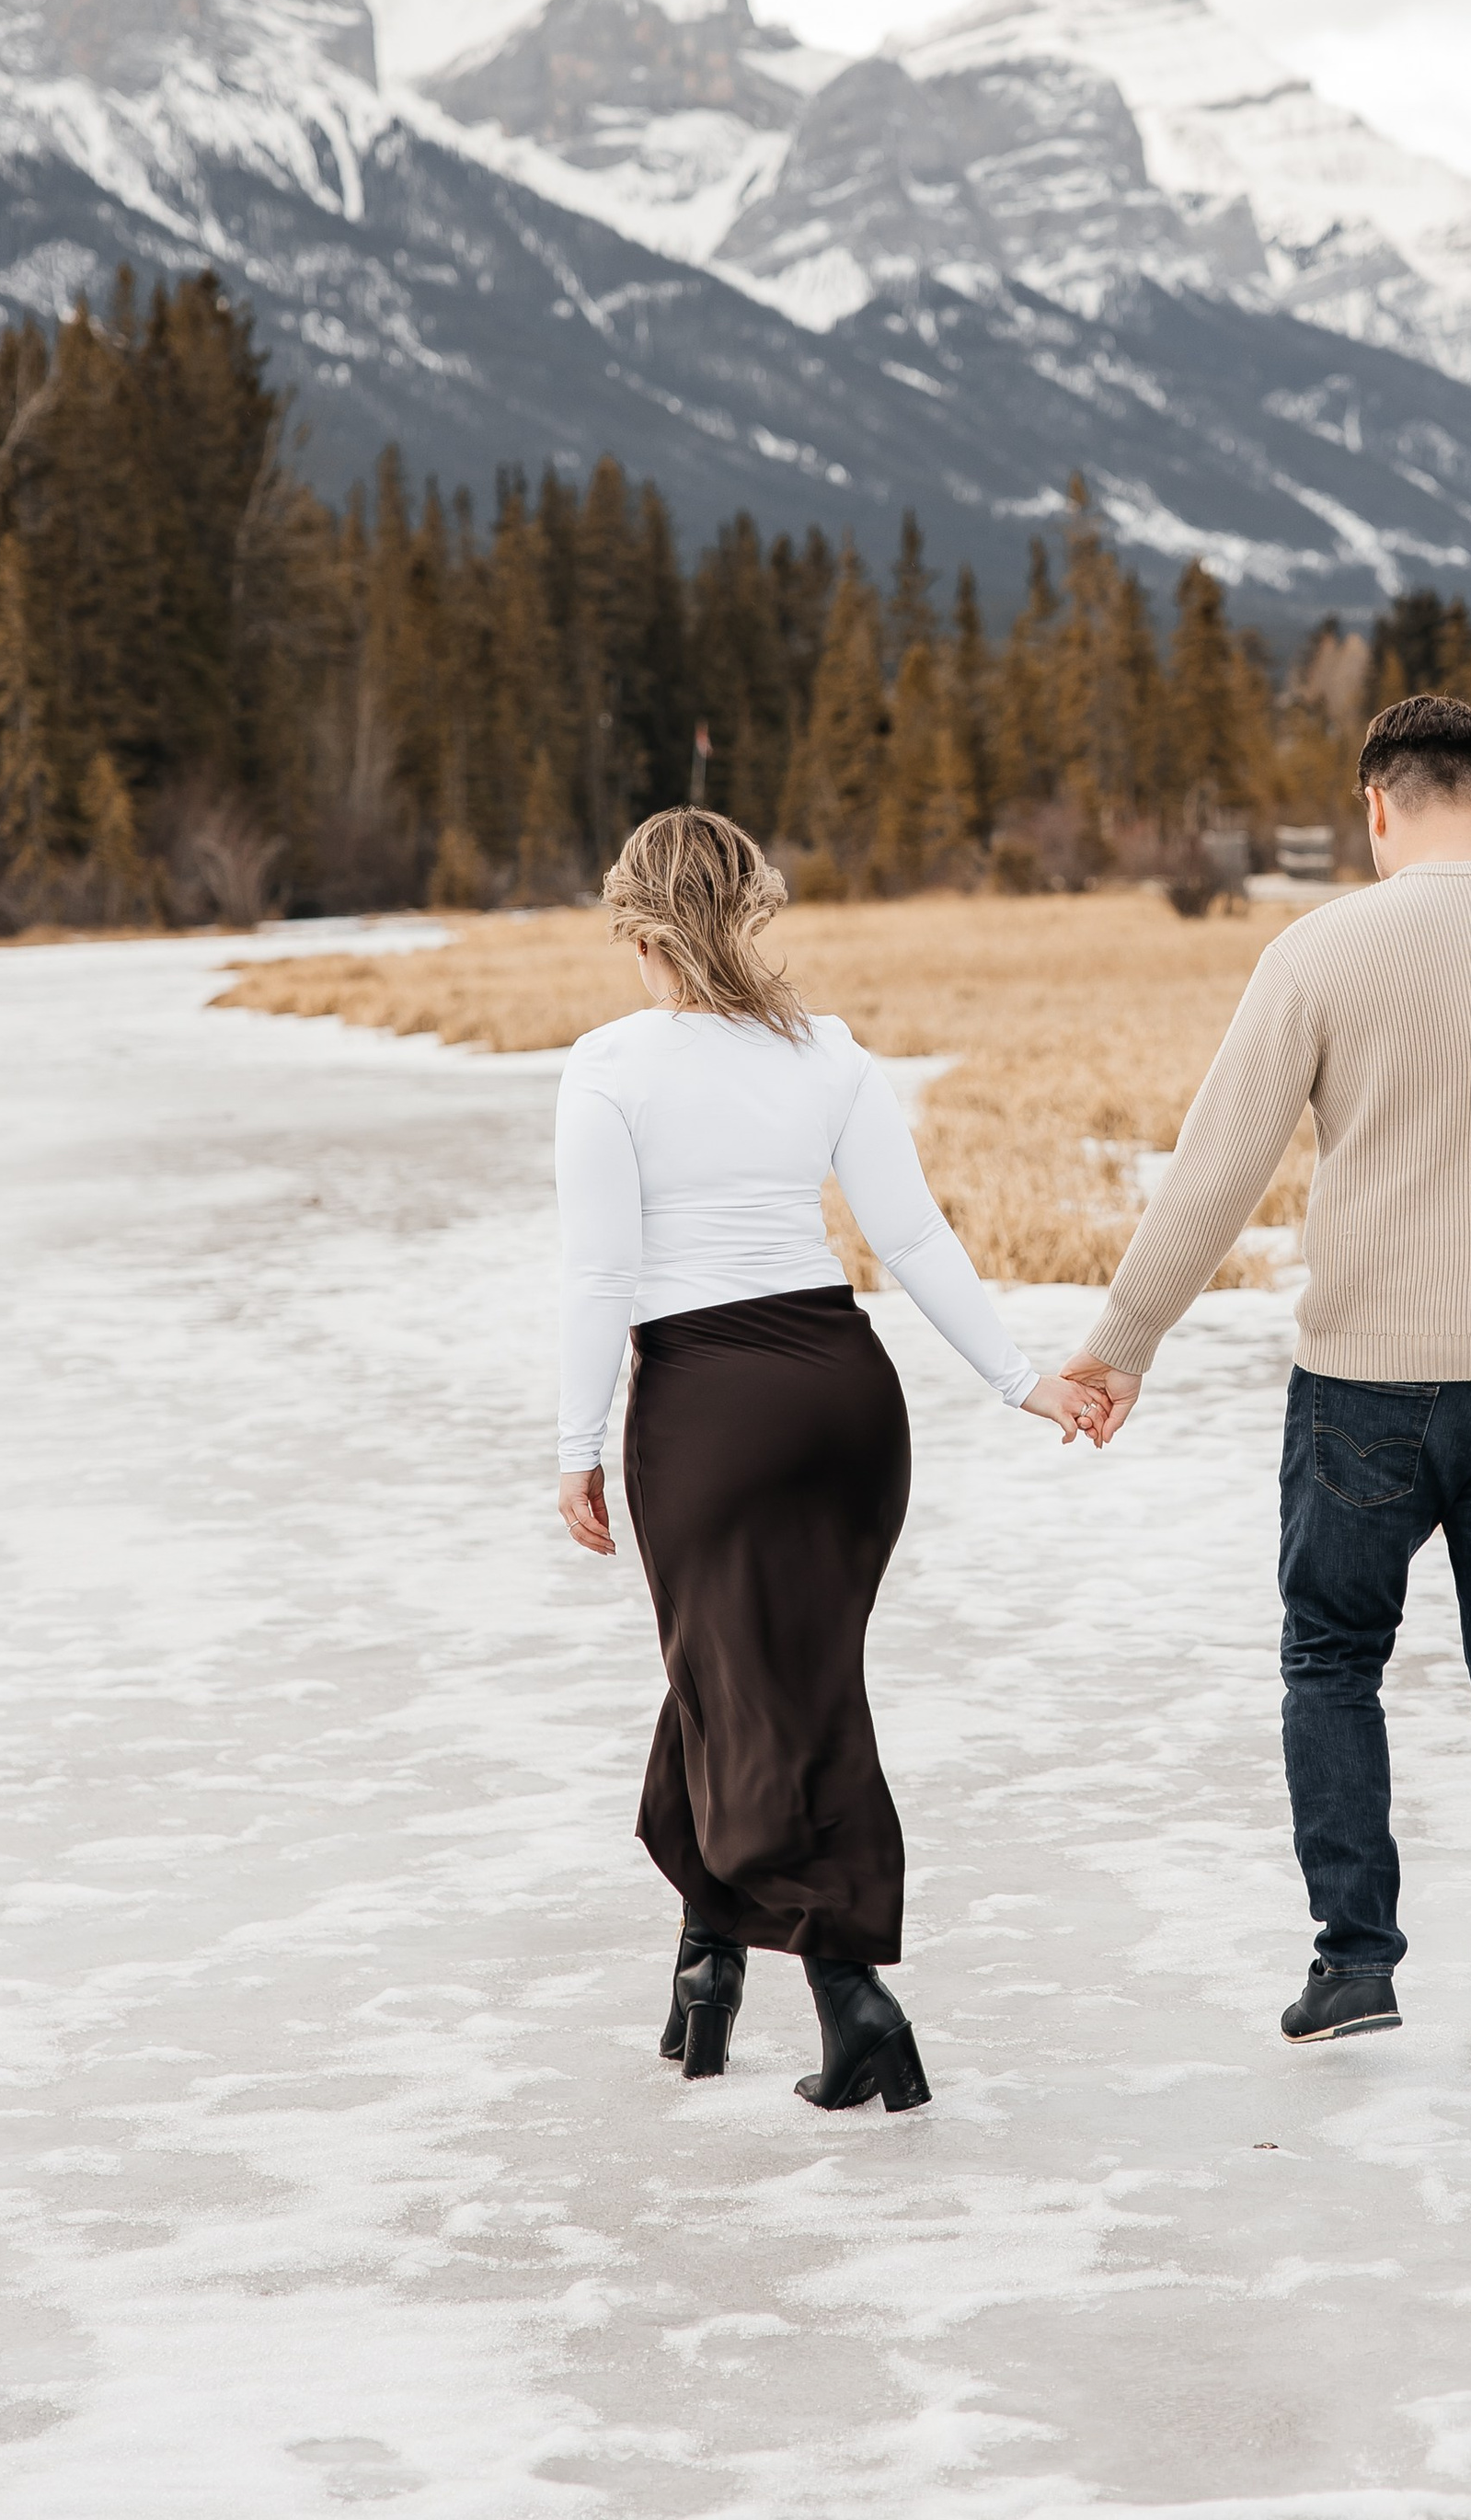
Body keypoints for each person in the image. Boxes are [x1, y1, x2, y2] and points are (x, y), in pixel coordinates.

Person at [1062, 692, 1471, 2067]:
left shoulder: (1320, 950)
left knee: (1332, 1658)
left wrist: (1122, 1341)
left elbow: (1220, 1167)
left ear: (1376, 808)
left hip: (1363, 1381)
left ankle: (1355, 1959)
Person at [556, 805, 1104, 2108]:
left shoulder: (607, 1066)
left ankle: (853, 1995)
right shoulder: (829, 1054)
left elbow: (600, 1274)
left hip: (709, 1411)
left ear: (638, 929)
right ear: (751, 911)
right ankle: (706, 1963)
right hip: (845, 1403)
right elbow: (913, 1243)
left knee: (765, 1683)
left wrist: (576, 1444)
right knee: (750, 1672)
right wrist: (1020, 1379)